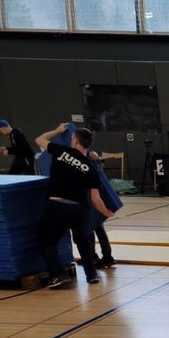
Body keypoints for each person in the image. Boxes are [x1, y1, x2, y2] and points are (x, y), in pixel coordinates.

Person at [32, 123, 116, 287]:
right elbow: (96, 200)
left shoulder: (61, 151)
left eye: (72, 138)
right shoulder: (90, 168)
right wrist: (108, 213)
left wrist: (57, 131)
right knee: (83, 242)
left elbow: (39, 139)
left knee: (46, 242)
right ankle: (92, 275)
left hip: (57, 205)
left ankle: (59, 275)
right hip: (79, 209)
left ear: (76, 141)